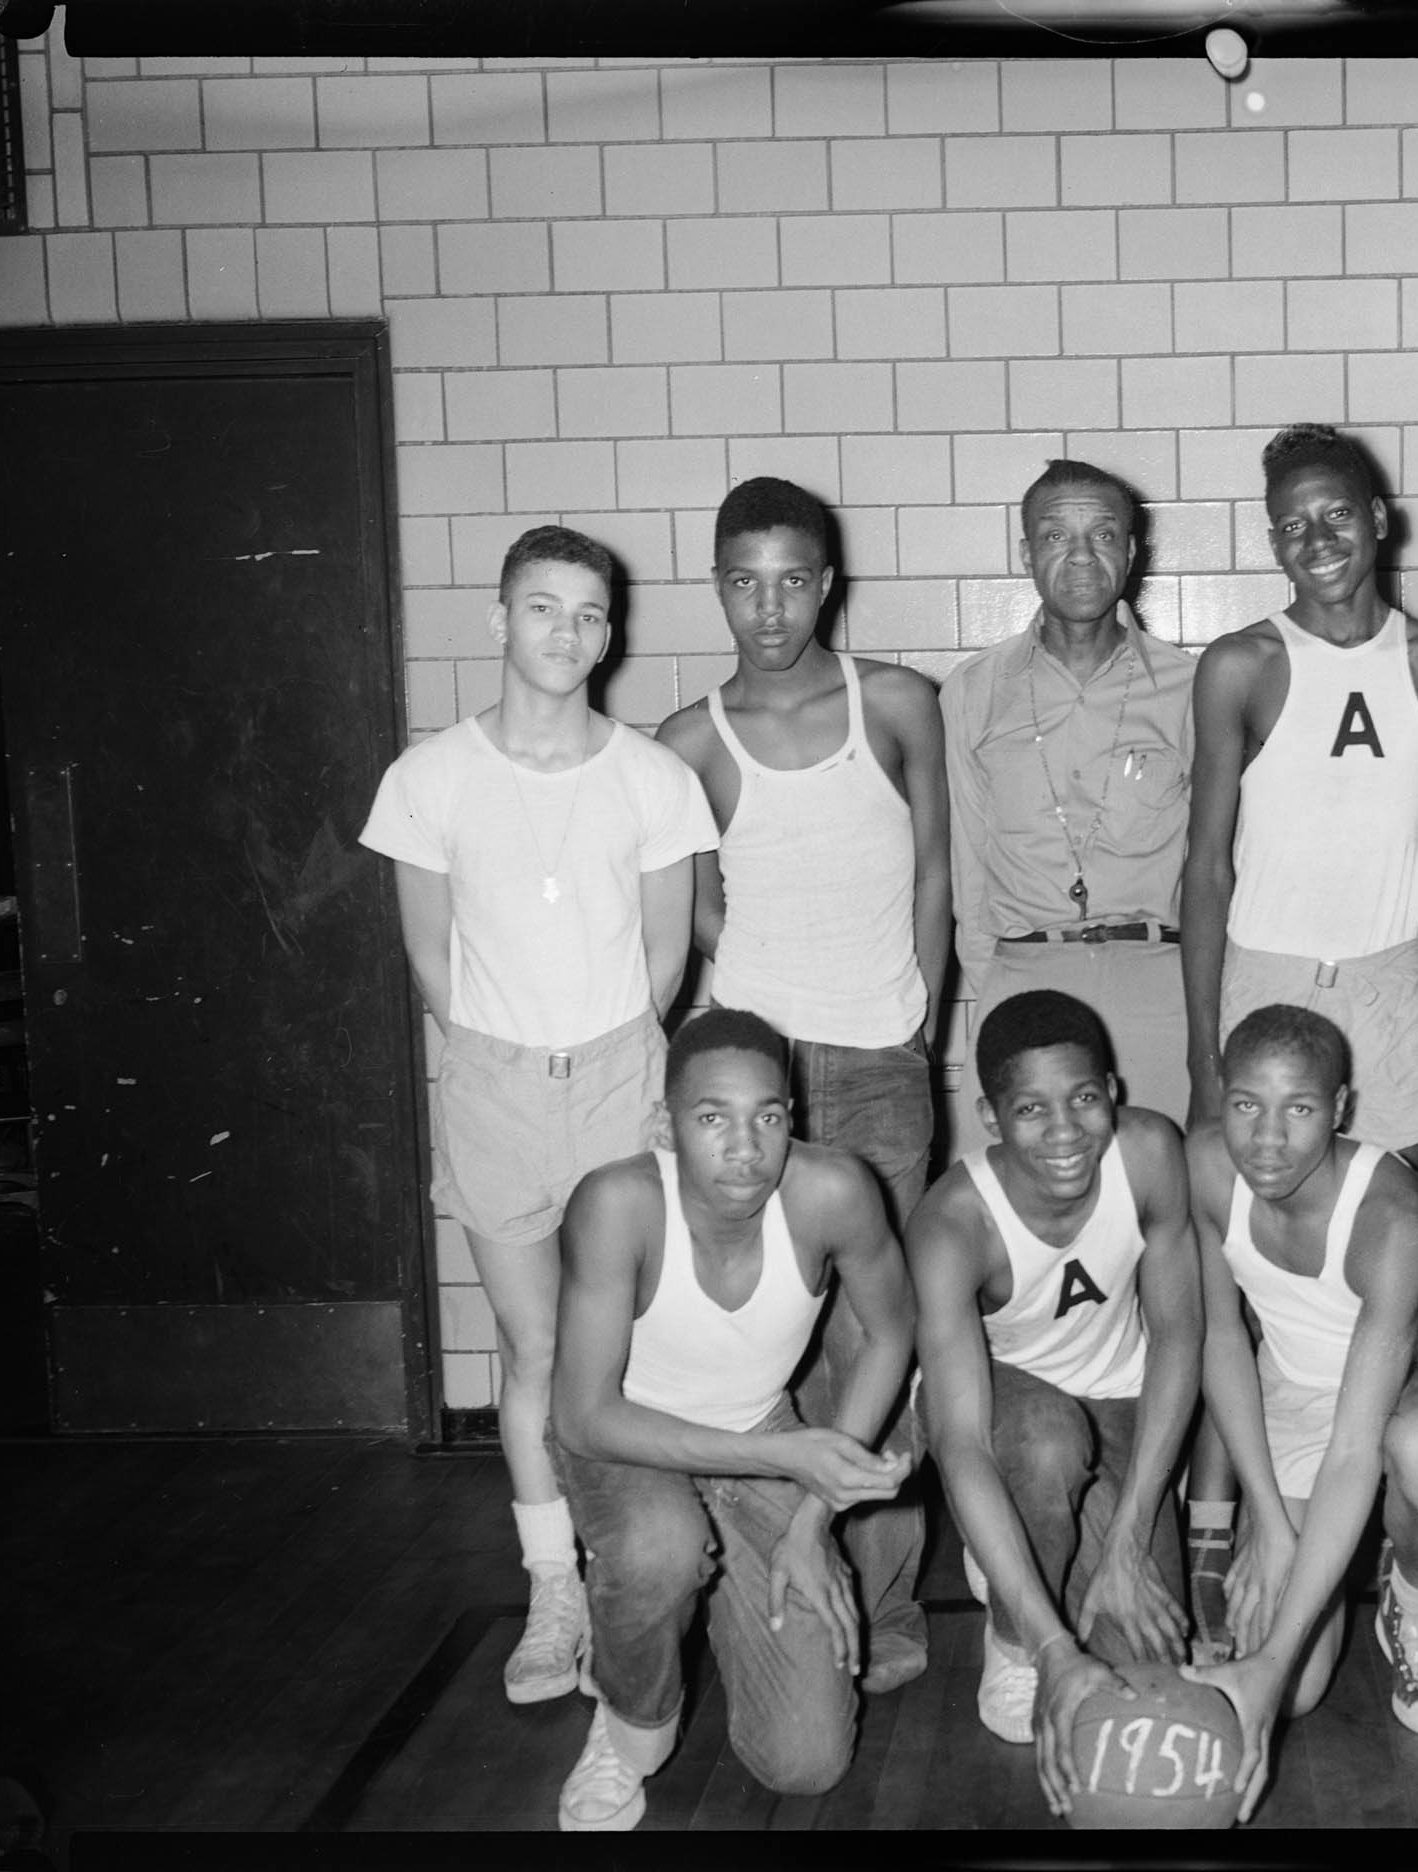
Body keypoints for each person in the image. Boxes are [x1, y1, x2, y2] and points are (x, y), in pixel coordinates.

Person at [359, 524, 717, 1707]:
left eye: (592, 613)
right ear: (500, 619)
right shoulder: (428, 779)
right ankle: (550, 1586)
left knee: (629, 1348)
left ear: (614, 631)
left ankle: (638, 1570)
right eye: (545, 609)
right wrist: (509, 1061)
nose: (569, 634)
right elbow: (429, 959)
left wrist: (613, 1057)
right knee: (534, 1351)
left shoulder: (654, 778)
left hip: (622, 1075)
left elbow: (668, 956)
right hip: (495, 1084)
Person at [656, 476, 947, 1695]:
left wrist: (920, 1021)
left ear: (827, 582)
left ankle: (883, 1607)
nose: (767, 607)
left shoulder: (896, 703)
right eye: (741, 580)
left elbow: (937, 871)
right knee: (780, 1341)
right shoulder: (685, 742)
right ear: (717, 584)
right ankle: (776, 1577)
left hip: (881, 1063)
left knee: (881, 1345)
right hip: (756, 1076)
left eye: (791, 579)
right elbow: (696, 906)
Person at [546, 1010, 917, 1830]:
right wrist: (790, 1464)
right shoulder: (617, 1203)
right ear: (666, 1125)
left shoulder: (834, 1192)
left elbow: (893, 1332)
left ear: (795, 1118)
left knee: (807, 1765)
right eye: (713, 1118)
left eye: (770, 1117)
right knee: (659, 1549)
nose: (746, 1149)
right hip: (625, 1439)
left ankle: (674, 1609)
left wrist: (813, 1520)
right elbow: (581, 1419)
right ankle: (627, 1706)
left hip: (762, 1434)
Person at [1179, 1005, 1418, 1818]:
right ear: (1221, 1096)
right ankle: (1317, 1578)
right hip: (1292, 1388)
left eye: (1301, 1109)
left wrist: (1272, 1656)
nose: (1269, 1140)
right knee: (1299, 1697)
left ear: (1342, 1108)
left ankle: (1413, 1609)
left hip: (1413, 1381)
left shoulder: (1392, 1214)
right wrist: (1272, 1521)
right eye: (1247, 1105)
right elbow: (1221, 1341)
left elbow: (1355, 1449)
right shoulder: (1206, 1167)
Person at [905, 990, 1202, 1819]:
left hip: (1123, 1399)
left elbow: (1179, 1338)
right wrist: (1049, 1645)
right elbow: (960, 1439)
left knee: (1147, 1670)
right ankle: (1011, 1625)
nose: (1066, 1131)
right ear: (991, 1117)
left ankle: (1065, 1551)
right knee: (1041, 1443)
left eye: (1084, 1099)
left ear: (1114, 1090)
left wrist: (1133, 1536)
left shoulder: (1147, 1152)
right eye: (1031, 1110)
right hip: (1010, 1411)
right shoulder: (954, 1224)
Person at [1181, 423, 1418, 1173]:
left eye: (1338, 514)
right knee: (1272, 1230)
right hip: (1266, 978)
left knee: (1407, 1219)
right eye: (1293, 525)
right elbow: (1205, 871)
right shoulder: (1239, 666)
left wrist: (1401, 863)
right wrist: (1202, 1055)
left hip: (1388, 978)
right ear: (1274, 542)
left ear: (1379, 519)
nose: (1317, 539)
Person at [940, 459, 1196, 1125]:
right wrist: (992, 991)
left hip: (1161, 983)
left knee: (1162, 1198)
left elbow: (1217, 860)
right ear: (1025, 553)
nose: (1080, 556)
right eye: (1056, 537)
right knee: (1012, 1210)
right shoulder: (973, 691)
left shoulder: (1192, 687)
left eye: (1103, 535)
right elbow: (967, 867)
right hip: (1023, 976)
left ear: (1132, 551)